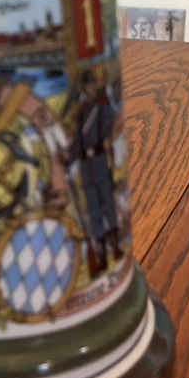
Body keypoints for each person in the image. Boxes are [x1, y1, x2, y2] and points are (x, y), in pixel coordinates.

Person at [68, 71, 123, 273]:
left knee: (108, 205)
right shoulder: (80, 113)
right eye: (86, 86)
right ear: (83, 89)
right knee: (94, 212)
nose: (89, 89)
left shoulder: (102, 107)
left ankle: (115, 248)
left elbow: (109, 126)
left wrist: (107, 139)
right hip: (86, 168)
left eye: (91, 85)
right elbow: (77, 142)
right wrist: (68, 158)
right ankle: (101, 256)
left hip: (100, 162)